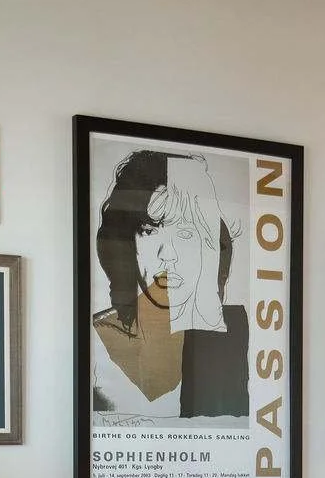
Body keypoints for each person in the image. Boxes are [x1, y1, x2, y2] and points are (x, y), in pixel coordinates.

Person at [92, 149, 249, 420]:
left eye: (186, 233)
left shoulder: (236, 336)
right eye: (149, 231)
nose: (169, 253)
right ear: (128, 242)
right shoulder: (96, 344)